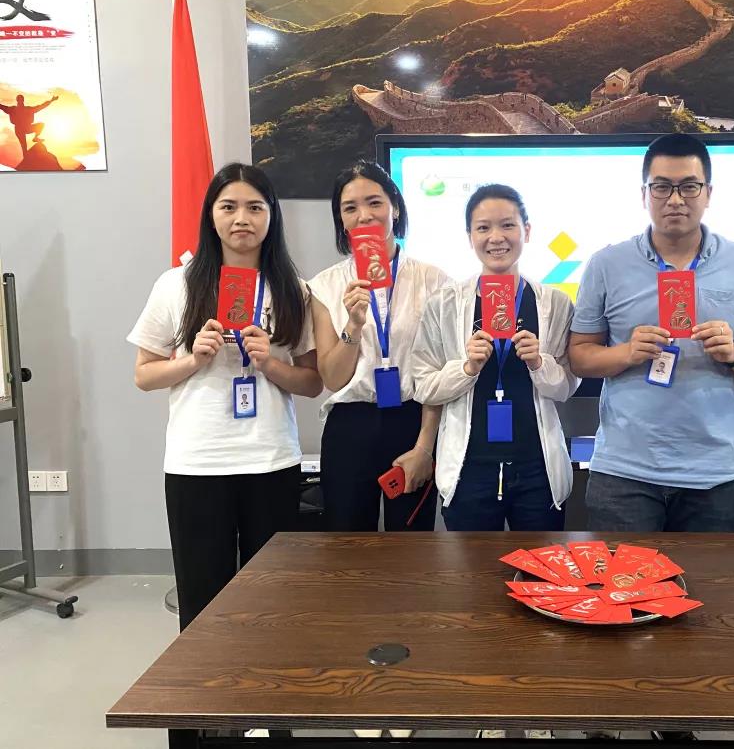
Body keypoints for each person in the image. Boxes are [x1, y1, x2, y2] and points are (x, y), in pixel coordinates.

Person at [128, 163, 321, 631]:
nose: (242, 219)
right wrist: (192, 360)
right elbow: (144, 376)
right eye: (228, 206)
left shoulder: (293, 289)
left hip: (271, 460)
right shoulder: (176, 283)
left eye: (255, 207)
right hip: (198, 463)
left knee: (272, 598)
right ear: (210, 215)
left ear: (271, 216)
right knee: (202, 597)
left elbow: (312, 383)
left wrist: (270, 364)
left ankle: (269, 676)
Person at [568, 132, 734, 533]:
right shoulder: (606, 263)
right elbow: (580, 355)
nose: (675, 199)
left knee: (705, 577)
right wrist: (626, 353)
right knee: (622, 576)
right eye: (662, 187)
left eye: (689, 186)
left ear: (708, 193)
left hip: (714, 476)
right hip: (624, 474)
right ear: (644, 194)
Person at [413, 184, 579, 532]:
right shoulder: (444, 304)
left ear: (526, 231)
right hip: (469, 469)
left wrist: (539, 364)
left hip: (537, 470)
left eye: (507, 225)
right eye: (483, 228)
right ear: (470, 236)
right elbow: (424, 386)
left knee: (540, 565)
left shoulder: (555, 303)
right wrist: (467, 368)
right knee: (470, 567)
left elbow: (566, 387)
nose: (496, 237)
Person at [308, 161, 448, 532]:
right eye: (350, 208)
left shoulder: (433, 280)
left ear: (395, 207)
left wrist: (425, 447)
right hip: (350, 426)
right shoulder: (325, 285)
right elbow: (332, 378)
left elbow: (439, 372)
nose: (364, 215)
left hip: (412, 420)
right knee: (349, 547)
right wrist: (353, 324)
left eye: (374, 202)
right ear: (341, 219)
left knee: (411, 547)